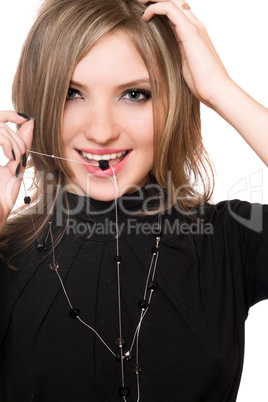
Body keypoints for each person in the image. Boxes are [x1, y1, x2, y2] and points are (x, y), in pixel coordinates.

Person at [0, 0, 267, 401]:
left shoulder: (227, 240)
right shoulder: (5, 255)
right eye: (72, 93)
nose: (102, 131)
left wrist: (219, 89)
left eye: (135, 94)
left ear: (173, 101)